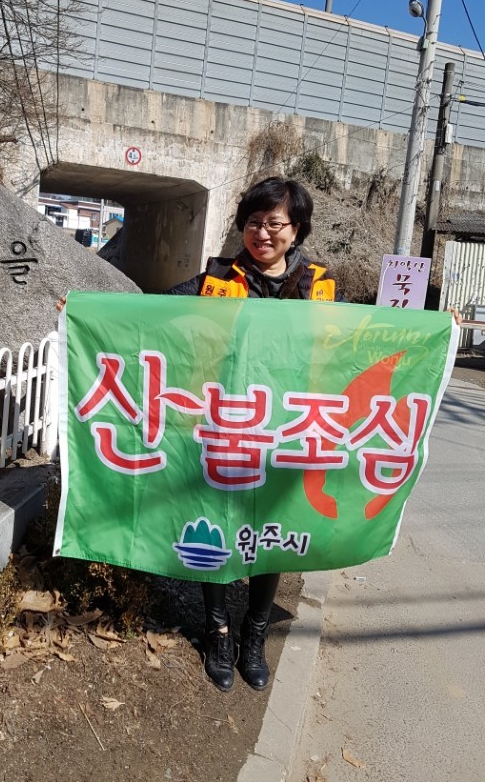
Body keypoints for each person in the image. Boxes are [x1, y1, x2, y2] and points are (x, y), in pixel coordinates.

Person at [167, 176, 345, 692]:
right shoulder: (217, 278)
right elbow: (153, 310)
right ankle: (218, 632)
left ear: (297, 229)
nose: (262, 233)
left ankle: (255, 633)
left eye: (274, 223)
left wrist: (438, 326)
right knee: (217, 526)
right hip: (225, 424)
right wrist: (87, 308)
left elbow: (363, 334)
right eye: (252, 222)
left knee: (273, 529)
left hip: (285, 429)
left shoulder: (319, 284)